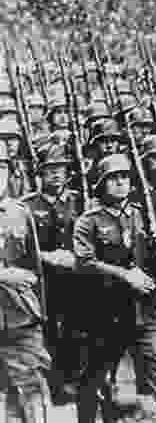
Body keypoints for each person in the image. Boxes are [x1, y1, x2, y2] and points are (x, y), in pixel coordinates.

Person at [73, 153, 156, 423]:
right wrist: (125, 275)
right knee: (94, 379)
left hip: (146, 310)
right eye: (113, 179)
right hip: (106, 313)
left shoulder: (143, 215)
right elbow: (84, 263)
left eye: (124, 177)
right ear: (101, 185)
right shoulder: (89, 221)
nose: (121, 182)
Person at [21, 141, 84, 405]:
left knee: (75, 328)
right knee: (48, 330)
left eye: (60, 168)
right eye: (50, 170)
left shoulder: (77, 200)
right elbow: (21, 247)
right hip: (43, 280)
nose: (56, 174)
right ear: (40, 174)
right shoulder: (27, 205)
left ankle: (73, 379)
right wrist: (46, 257)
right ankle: (54, 383)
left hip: (74, 276)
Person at [0, 140, 51, 423]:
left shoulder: (20, 212)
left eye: (1, 168)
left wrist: (40, 314)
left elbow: (35, 269)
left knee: (31, 389)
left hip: (21, 318)